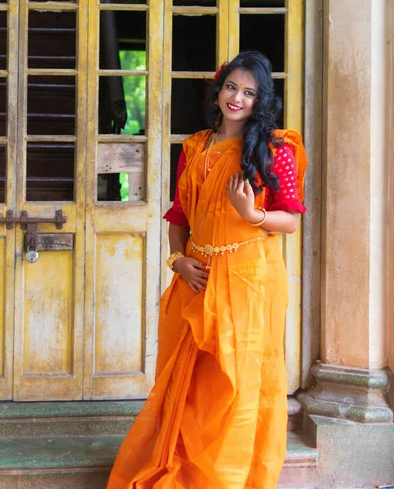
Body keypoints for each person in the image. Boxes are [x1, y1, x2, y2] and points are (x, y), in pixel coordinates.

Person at [107, 51, 307, 489]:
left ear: (261, 100)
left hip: (250, 282)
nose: (238, 98)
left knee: (234, 389)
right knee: (193, 386)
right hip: (197, 278)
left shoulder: (276, 150)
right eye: (232, 87)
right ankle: (184, 474)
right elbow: (179, 215)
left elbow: (290, 221)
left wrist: (251, 214)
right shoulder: (195, 146)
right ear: (218, 91)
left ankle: (228, 480)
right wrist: (178, 262)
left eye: (250, 92)